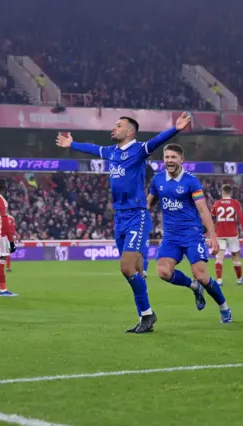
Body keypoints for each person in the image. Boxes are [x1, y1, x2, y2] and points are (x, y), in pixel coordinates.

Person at [56, 112, 191, 333]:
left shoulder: (138, 150)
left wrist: (175, 129)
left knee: (126, 267)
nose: (114, 128)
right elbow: (92, 149)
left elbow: (157, 142)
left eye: (118, 125)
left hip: (136, 215)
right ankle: (145, 316)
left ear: (129, 131)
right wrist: (72, 144)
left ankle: (148, 314)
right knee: (134, 270)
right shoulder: (111, 152)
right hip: (119, 217)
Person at [148, 144, 232, 324]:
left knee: (201, 275)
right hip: (170, 235)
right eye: (167, 157)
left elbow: (203, 210)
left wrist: (213, 236)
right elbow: (149, 204)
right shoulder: (157, 180)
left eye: (173, 157)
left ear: (181, 159)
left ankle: (224, 307)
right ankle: (193, 286)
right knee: (163, 272)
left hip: (191, 234)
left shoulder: (191, 181)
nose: (169, 160)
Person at [211, 184, 243, 285]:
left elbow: (212, 218)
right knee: (235, 256)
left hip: (220, 233)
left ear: (222, 192)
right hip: (232, 234)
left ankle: (219, 280)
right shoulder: (235, 203)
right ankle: (239, 279)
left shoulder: (217, 204)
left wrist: (211, 234)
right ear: (230, 192)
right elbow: (241, 218)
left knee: (219, 257)